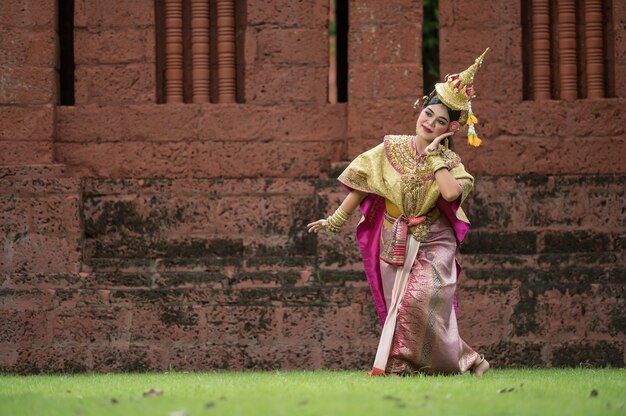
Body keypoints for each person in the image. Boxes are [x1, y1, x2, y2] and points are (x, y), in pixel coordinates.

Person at [307, 49, 491, 376]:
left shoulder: (451, 165)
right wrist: (335, 220)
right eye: (428, 114)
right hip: (393, 238)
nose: (429, 123)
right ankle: (468, 361)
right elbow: (365, 183)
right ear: (421, 110)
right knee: (401, 307)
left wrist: (435, 158)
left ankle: (400, 365)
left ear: (449, 129)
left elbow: (451, 193)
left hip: (435, 242)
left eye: (439, 122)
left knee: (420, 301)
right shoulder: (391, 148)